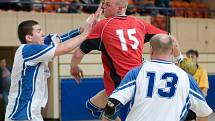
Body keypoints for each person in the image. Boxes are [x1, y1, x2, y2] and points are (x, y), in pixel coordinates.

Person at [70, 0, 168, 120]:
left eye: (108, 4)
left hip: (121, 85)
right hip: (139, 81)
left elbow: (78, 54)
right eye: (103, 3)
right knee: (93, 107)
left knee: (98, 110)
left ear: (120, 9)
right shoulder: (139, 23)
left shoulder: (104, 25)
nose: (103, 7)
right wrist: (179, 58)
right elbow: (168, 38)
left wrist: (74, 67)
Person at [4, 11, 100, 121]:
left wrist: (84, 28)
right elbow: (65, 48)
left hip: (32, 113)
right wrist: (86, 34)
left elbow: (61, 39)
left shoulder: (38, 48)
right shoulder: (28, 50)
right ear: (29, 38)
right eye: (39, 31)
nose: (43, 33)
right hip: (21, 114)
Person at [101, 34, 213, 121]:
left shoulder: (136, 73)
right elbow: (203, 112)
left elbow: (112, 104)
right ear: (173, 50)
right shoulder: (186, 78)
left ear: (150, 49)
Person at [184, 49, 209, 121]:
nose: (190, 58)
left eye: (192, 56)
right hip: (185, 102)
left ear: (197, 58)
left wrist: (199, 103)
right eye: (188, 56)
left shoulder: (202, 71)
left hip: (196, 101)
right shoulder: (183, 70)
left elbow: (204, 90)